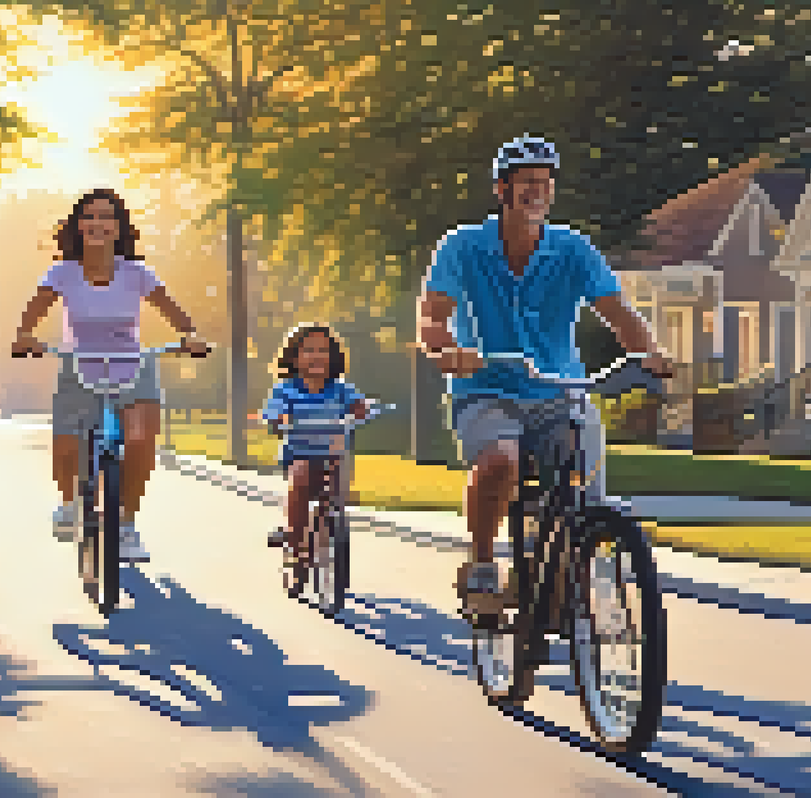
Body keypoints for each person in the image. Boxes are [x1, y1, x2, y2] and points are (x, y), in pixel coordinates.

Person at [416, 135, 674, 620]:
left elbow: (618, 313)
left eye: (545, 182)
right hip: (488, 387)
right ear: (503, 189)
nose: (537, 191)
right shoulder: (463, 246)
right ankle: (483, 564)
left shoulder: (572, 249)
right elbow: (432, 316)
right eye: (526, 182)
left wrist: (650, 353)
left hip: (559, 390)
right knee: (500, 462)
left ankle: (568, 579)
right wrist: (447, 350)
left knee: (583, 492)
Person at [11, 188, 209, 562]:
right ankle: (69, 504)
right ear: (78, 225)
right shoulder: (63, 272)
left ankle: (127, 525)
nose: (98, 223)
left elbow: (174, 312)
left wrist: (190, 337)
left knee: (141, 439)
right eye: (90, 216)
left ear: (119, 228)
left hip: (132, 364)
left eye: (107, 217)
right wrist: (25, 338)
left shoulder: (136, 273)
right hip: (79, 363)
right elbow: (32, 313)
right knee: (67, 447)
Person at [261, 324, 371, 563]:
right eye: (308, 350)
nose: (317, 355)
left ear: (334, 358)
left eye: (323, 350)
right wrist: (280, 419)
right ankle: (294, 536)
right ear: (294, 357)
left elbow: (358, 405)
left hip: (334, 454)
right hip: (300, 453)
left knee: (339, 486)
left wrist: (362, 410)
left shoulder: (341, 389)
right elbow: (274, 414)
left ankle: (329, 526)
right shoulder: (285, 390)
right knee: (300, 476)